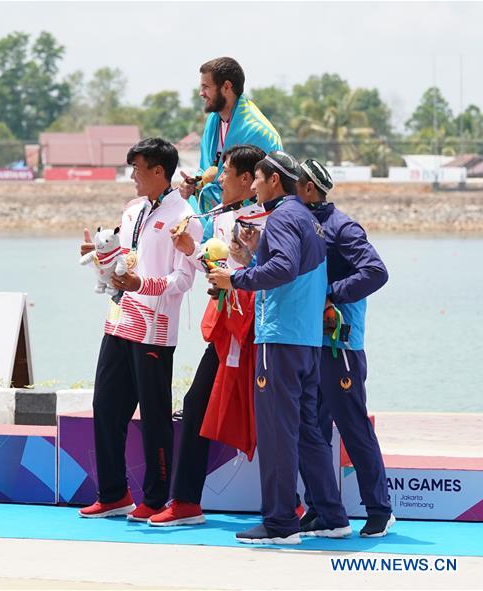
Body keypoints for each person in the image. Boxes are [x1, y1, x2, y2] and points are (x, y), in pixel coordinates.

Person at [208, 151, 349, 544]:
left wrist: (235, 278)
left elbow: (284, 269)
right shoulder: (306, 217)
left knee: (277, 432)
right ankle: (331, 516)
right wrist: (256, 255)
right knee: (306, 431)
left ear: (273, 180)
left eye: (255, 178)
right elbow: (295, 271)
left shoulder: (285, 216)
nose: (251, 186)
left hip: (281, 339)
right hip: (303, 341)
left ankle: (280, 522)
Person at [78, 138, 203, 521]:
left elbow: (184, 279)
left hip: (155, 328)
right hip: (119, 318)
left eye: (138, 168)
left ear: (158, 172)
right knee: (106, 407)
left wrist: (142, 287)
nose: (132, 175)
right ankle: (114, 493)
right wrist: (101, 258)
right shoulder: (132, 209)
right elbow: (124, 259)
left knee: (153, 415)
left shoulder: (186, 217)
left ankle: (157, 497)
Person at [150, 144, 267, 527]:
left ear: (248, 180)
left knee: (268, 412)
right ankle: (185, 501)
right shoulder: (222, 216)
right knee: (197, 401)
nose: (219, 176)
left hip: (257, 327)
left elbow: (243, 272)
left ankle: (295, 503)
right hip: (227, 324)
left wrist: (198, 254)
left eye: (226, 171)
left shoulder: (266, 220)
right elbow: (217, 269)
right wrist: (191, 248)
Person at [295, 159, 395, 537]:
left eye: (294, 186)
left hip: (341, 344)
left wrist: (329, 294)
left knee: (353, 427)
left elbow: (376, 272)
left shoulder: (343, 227)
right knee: (313, 429)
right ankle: (320, 506)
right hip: (306, 341)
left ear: (308, 188)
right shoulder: (301, 224)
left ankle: (380, 509)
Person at [178, 57, 283, 241]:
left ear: (226, 87)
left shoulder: (258, 132)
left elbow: (268, 189)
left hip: (251, 229)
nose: (201, 93)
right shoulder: (214, 119)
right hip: (218, 219)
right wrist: (194, 185)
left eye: (206, 87)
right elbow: (208, 170)